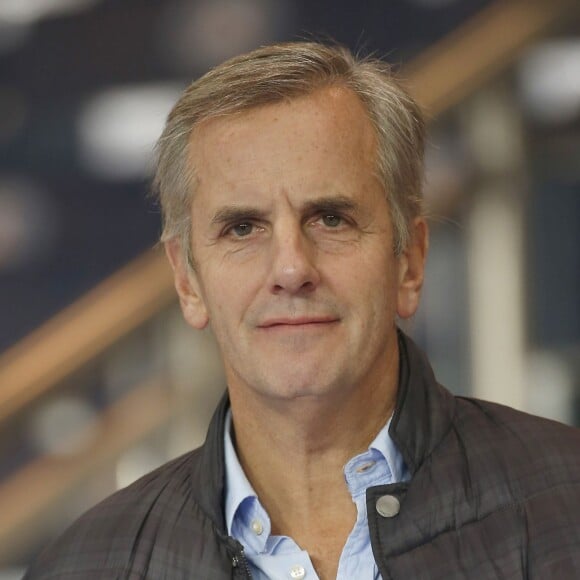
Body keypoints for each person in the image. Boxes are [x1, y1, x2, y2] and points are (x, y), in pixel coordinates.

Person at [26, 41, 580, 580]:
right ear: (187, 280)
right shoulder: (85, 567)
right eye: (243, 228)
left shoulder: (566, 505)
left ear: (409, 261)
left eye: (330, 219)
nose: (291, 269)